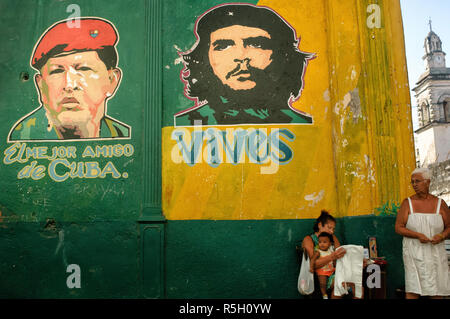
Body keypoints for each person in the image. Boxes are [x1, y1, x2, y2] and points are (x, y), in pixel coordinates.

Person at [175, 3, 314, 126]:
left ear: (283, 57)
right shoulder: (186, 124)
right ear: (203, 58)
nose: (241, 56)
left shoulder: (303, 128)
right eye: (223, 46)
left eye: (257, 44)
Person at [8, 17, 130, 141]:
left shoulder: (122, 135)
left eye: (84, 69)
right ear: (40, 85)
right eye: (57, 71)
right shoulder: (22, 138)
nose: (69, 85)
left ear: (112, 80)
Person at [395, 167, 450, 299]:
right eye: (412, 182)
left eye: (417, 181)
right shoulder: (407, 203)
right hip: (414, 252)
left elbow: (449, 226)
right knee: (414, 286)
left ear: (428, 182)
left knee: (437, 287)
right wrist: (418, 235)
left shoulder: (440, 204)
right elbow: (398, 227)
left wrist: (441, 236)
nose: (414, 185)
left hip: (436, 252)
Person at [302, 210, 346, 298]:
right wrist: (332, 256)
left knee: (358, 287)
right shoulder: (309, 239)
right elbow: (313, 264)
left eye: (333, 229)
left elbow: (341, 256)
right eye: (329, 228)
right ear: (319, 225)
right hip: (320, 277)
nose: (332, 231)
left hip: (334, 272)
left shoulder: (333, 238)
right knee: (341, 286)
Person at [310, 232, 336, 299]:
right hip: (322, 271)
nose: (322, 244)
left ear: (330, 244)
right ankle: (324, 294)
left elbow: (334, 260)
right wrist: (311, 268)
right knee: (322, 283)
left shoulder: (331, 250)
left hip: (331, 270)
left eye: (324, 242)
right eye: (320, 242)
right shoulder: (318, 252)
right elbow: (312, 260)